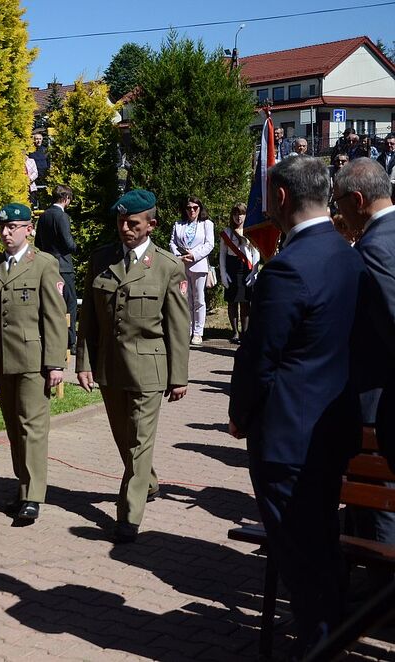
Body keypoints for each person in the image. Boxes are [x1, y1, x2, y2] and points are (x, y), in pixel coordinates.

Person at [228, 155, 366, 657]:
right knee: (321, 546)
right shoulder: (348, 253)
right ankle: (326, 633)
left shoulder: (287, 267)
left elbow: (260, 356)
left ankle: (318, 644)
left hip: (289, 438)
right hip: (333, 425)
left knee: (300, 554)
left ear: (280, 198)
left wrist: (240, 414)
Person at [76, 189, 190, 543]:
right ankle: (149, 482)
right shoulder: (101, 260)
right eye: (121, 221)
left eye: (133, 222)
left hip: (149, 371)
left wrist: (179, 377)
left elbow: (177, 326)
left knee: (140, 441)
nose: (125, 228)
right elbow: (89, 319)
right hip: (110, 368)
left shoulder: (168, 267)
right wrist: (84, 363)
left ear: (151, 225)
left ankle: (128, 515)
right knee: (125, 440)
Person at [0, 203, 67, 522]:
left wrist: (56, 363)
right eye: (2, 227)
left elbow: (54, 317)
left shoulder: (43, 264)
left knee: (33, 428)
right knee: (14, 428)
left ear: (28, 229)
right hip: (0, 360)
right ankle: (22, 486)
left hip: (33, 361)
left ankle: (33, 495)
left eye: (12, 227)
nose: (5, 233)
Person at [332, 158, 395, 543]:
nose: (336, 211)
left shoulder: (373, 248)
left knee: (377, 510)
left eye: (338, 202)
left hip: (377, 399)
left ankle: (379, 598)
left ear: (357, 199)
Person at [33, 185, 79, 351]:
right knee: (70, 303)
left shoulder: (44, 216)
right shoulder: (62, 216)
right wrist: (76, 248)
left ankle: (49, 337)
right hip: (64, 266)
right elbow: (68, 243)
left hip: (47, 265)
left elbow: (38, 242)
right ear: (66, 198)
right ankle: (70, 341)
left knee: (49, 302)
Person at [169, 196, 214, 346]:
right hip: (183, 265)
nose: (192, 211)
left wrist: (194, 255)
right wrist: (179, 256)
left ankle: (198, 332)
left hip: (199, 265)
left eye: (195, 208)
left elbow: (209, 244)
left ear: (200, 208)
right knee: (185, 299)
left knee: (198, 299)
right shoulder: (179, 224)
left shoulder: (206, 224)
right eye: (189, 208)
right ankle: (187, 330)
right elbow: (173, 243)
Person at [218, 203, 260, 344]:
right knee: (232, 302)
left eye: (241, 214)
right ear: (232, 216)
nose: (239, 217)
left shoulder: (250, 231)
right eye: (236, 214)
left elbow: (256, 253)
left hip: (246, 269)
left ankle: (245, 332)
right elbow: (222, 254)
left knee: (245, 302)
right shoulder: (227, 233)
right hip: (231, 267)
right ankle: (235, 332)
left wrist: (254, 271)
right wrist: (223, 273)